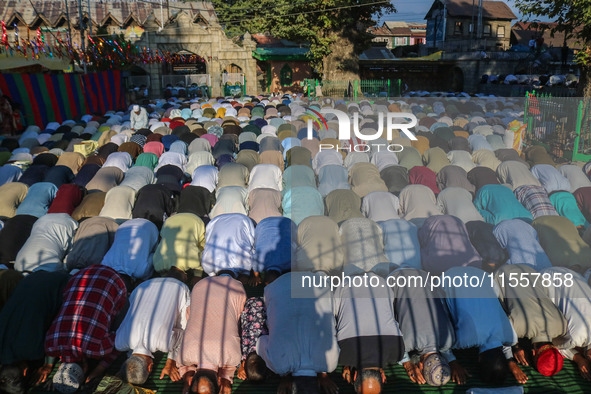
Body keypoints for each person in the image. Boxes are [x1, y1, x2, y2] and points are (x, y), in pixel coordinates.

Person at [45, 266, 127, 392]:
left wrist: (98, 370)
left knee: (119, 322)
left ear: (84, 368)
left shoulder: (96, 349)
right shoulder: (50, 345)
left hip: (114, 280)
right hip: (81, 275)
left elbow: (119, 343)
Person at [442, 266, 528, 385]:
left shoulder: (512, 338)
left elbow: (505, 340)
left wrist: (510, 361)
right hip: (449, 276)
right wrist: (453, 362)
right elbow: (443, 344)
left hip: (483, 275)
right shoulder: (464, 340)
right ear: (479, 359)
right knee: (442, 313)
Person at [257, 272, 339, 394]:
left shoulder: (331, 363)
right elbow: (260, 342)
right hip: (278, 286)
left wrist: (324, 374)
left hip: (317, 282)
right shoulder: (278, 365)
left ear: (317, 383)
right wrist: (284, 374)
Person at [389, 268, 466, 386]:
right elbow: (397, 350)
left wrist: (453, 361)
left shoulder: (449, 339)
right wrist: (407, 364)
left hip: (423, 274)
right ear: (420, 365)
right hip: (393, 277)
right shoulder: (406, 343)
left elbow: (445, 348)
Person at [115, 270, 191, 385]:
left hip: (178, 287)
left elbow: (183, 335)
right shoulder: (119, 343)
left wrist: (171, 360)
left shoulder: (163, 343)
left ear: (150, 367)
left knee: (186, 326)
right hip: (145, 285)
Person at [334, 273, 405, 393]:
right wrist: (347, 363)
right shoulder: (341, 356)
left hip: (381, 283)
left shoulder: (398, 352)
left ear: (383, 377)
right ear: (354, 376)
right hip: (346, 283)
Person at [495, 264, 568, 377]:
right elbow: (502, 337)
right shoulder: (517, 327)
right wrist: (515, 347)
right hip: (502, 273)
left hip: (530, 270)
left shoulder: (562, 326)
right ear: (533, 353)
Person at [0, 271, 70, 389]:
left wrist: (48, 365)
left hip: (63, 284)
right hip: (32, 278)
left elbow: (53, 333)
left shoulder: (30, 350)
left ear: (25, 372)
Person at [177, 276, 246, 394]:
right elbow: (182, 365)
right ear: (191, 381)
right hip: (201, 285)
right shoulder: (185, 355)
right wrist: (186, 377)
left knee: (238, 318)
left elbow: (230, 367)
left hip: (233, 287)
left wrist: (226, 380)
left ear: (219, 381)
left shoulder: (231, 355)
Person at [543, 266, 591, 381]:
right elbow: (555, 343)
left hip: (572, 274)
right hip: (545, 278)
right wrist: (579, 359)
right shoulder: (577, 337)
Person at [237, 297, 269, 382]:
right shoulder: (242, 353)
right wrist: (240, 366)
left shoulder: (267, 350)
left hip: (264, 304)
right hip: (248, 305)